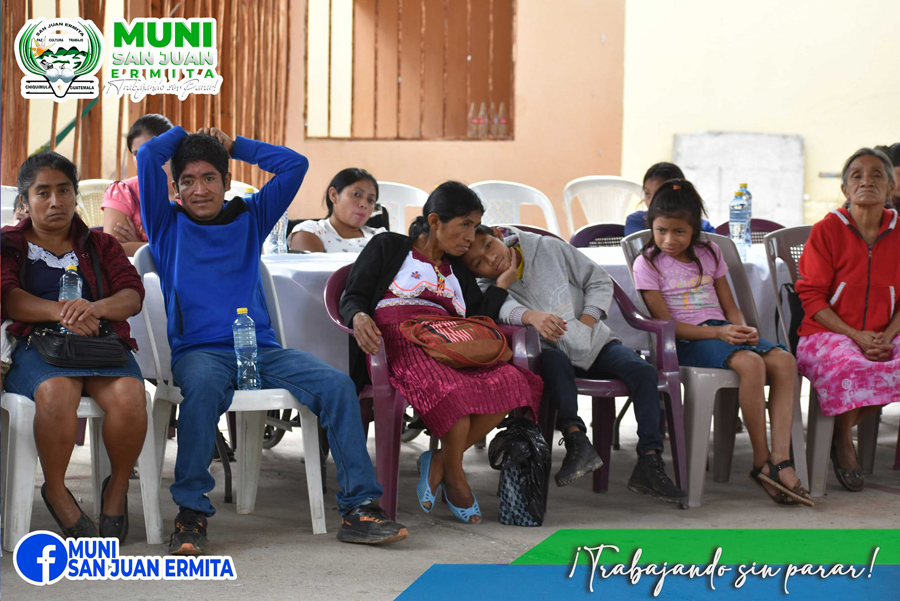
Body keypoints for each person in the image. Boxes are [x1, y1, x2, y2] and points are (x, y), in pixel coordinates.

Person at [137, 126, 407, 553]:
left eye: (209, 178)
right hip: (200, 353)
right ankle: (191, 515)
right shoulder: (165, 224)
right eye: (187, 181)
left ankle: (359, 509)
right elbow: (149, 154)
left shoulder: (251, 216)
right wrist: (187, 134)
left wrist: (235, 146)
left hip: (261, 350)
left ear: (227, 181)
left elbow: (294, 165)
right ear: (176, 188)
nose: (199, 190)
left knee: (337, 384)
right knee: (202, 392)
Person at [340, 182, 543, 524]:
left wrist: (502, 283)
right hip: (402, 338)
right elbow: (353, 294)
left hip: (450, 340)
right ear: (435, 221)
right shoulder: (389, 246)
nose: (470, 236)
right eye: (465, 225)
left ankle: (439, 462)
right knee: (453, 394)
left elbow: (480, 313)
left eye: (475, 226)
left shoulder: (458, 267)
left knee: (514, 382)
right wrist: (358, 316)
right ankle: (456, 476)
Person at [462, 225, 685, 502]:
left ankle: (649, 462)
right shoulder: (488, 287)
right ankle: (576, 441)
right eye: (478, 263)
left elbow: (599, 280)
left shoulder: (546, 247)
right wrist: (528, 313)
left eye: (488, 245)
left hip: (596, 342)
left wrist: (585, 324)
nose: (490, 258)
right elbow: (500, 311)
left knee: (643, 372)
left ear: (498, 235)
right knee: (554, 363)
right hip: (551, 352)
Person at [633, 179, 813, 507]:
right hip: (686, 340)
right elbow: (668, 326)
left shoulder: (709, 252)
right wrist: (719, 333)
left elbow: (730, 306)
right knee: (751, 363)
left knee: (785, 361)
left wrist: (741, 328)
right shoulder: (647, 263)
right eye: (661, 230)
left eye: (679, 231)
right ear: (651, 225)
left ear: (694, 230)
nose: (669, 240)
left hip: (722, 332)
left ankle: (781, 459)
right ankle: (761, 462)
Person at [1, 152, 147, 541]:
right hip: (37, 346)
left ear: (75, 194)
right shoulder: (8, 244)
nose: (55, 201)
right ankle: (55, 489)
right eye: (43, 192)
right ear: (25, 201)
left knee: (131, 395)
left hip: (100, 343)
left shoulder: (101, 244)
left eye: (64, 190)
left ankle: (117, 487)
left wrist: (94, 308)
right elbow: (9, 297)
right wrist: (63, 312)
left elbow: (132, 293)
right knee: (56, 391)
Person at [796, 148, 900, 492]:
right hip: (825, 333)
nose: (866, 181)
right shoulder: (827, 230)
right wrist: (856, 335)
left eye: (876, 175)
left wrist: (887, 336)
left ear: (891, 186)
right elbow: (811, 298)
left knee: (889, 365)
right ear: (845, 189)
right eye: (857, 175)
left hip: (884, 332)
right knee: (852, 366)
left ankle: (839, 431)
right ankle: (842, 441)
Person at [102, 114, 174, 256]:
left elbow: (194, 248)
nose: (142, 160)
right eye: (136, 154)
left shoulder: (192, 192)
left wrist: (140, 247)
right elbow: (112, 250)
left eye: (150, 151)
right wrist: (154, 248)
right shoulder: (123, 192)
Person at [288, 167, 386, 252]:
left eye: (371, 200)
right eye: (356, 194)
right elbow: (312, 268)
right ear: (334, 195)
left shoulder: (381, 237)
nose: (364, 204)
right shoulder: (310, 231)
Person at [624, 162, 716, 236]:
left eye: (659, 195)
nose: (651, 201)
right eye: (647, 194)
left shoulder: (704, 228)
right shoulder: (636, 221)